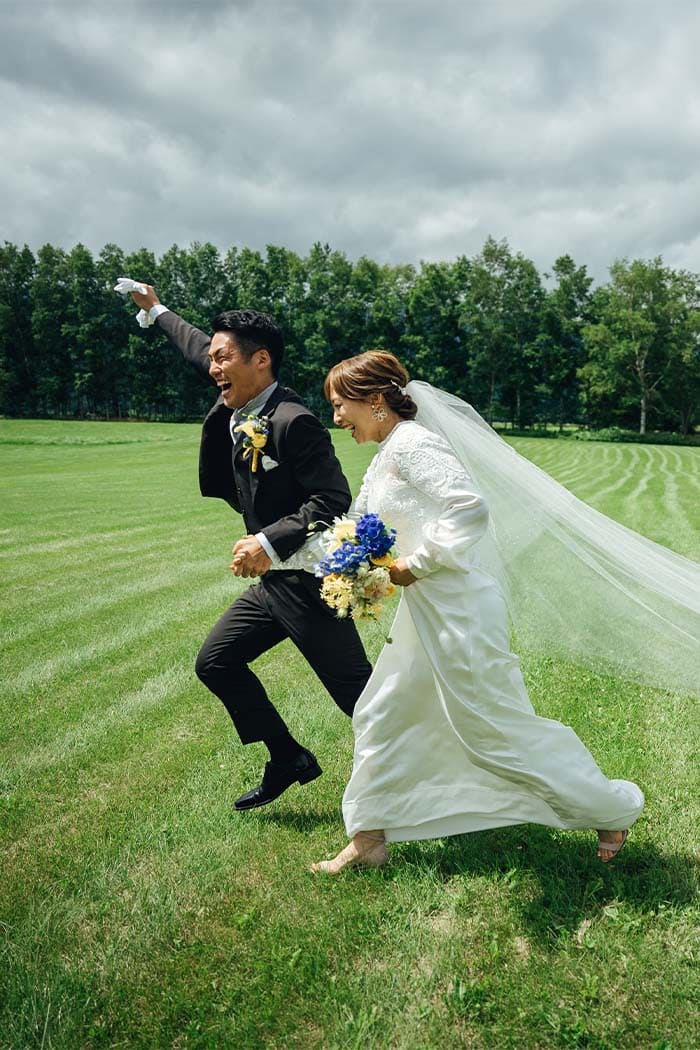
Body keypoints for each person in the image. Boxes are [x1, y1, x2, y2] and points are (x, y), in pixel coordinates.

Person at [274, 350, 651, 872]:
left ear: (376, 400)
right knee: (380, 713)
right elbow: (354, 529)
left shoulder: (414, 444)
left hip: (459, 610)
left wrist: (416, 564)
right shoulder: (386, 456)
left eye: (341, 405)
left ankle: (610, 809)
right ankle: (370, 838)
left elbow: (469, 506)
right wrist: (275, 555)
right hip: (424, 613)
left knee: (492, 729)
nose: (336, 417)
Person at [128, 285, 372, 810]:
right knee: (216, 662)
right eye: (213, 358)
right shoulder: (237, 389)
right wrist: (157, 310)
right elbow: (196, 346)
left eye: (223, 359)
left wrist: (266, 540)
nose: (213, 367)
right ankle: (287, 757)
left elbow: (332, 498)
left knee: (362, 700)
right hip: (273, 585)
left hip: (310, 586)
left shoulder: (293, 420)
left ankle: (444, 771)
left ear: (260, 361)